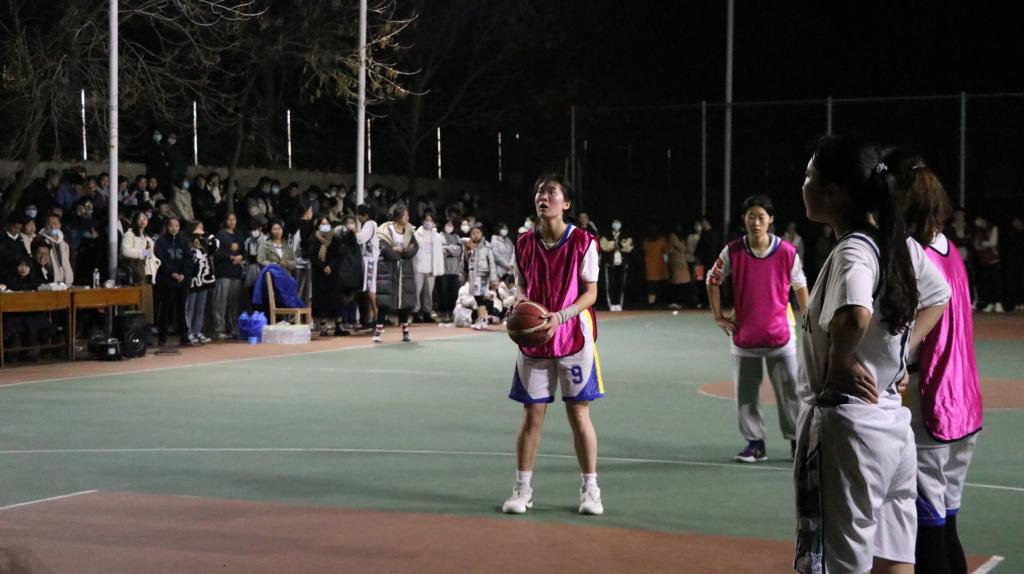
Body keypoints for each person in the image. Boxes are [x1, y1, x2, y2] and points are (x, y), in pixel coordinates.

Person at [794, 136, 950, 574]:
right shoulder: (897, 243)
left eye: (809, 175)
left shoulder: (853, 250)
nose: (803, 185)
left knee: (841, 561)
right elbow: (940, 295)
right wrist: (900, 356)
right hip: (892, 425)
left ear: (833, 192)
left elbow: (855, 313)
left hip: (849, 428)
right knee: (895, 556)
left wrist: (841, 360)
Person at [889, 148, 983, 574]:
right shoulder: (950, 249)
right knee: (947, 525)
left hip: (930, 401)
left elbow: (904, 330)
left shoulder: (910, 253)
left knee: (927, 532)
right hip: (964, 401)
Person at [502, 174, 604, 517]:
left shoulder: (584, 242)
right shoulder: (523, 242)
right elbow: (522, 286)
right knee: (532, 414)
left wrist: (561, 316)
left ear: (566, 203)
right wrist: (520, 304)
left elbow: (591, 293)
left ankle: (591, 490)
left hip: (573, 337)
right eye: (539, 192)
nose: (542, 197)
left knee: (578, 414)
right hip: (534, 341)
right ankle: (522, 490)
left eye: (550, 192)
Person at [706, 194, 809, 462]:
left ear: (771, 219)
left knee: (790, 393)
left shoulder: (787, 252)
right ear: (744, 219)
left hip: (781, 336)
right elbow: (712, 279)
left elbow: (800, 286)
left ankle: (797, 441)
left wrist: (808, 317)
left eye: (761, 217)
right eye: (751, 217)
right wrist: (719, 317)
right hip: (745, 336)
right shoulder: (733, 251)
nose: (755, 222)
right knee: (746, 395)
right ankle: (755, 444)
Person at [373, 206, 418, 343]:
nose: (407, 218)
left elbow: (414, 248)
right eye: (405, 215)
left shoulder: (410, 232)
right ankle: (378, 331)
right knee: (384, 301)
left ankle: (405, 331)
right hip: (388, 270)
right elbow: (385, 249)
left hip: (405, 270)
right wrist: (398, 254)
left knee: (404, 301)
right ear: (398, 217)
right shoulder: (385, 230)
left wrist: (401, 251)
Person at [153, 218, 193, 347]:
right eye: (171, 226)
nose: (174, 228)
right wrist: (173, 273)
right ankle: (162, 337)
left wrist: (183, 274)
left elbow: (189, 259)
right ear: (167, 227)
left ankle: (184, 336)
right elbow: (160, 260)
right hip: (167, 281)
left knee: (181, 310)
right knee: (166, 309)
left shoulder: (184, 241)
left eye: (176, 226)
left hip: (182, 282)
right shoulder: (161, 242)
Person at [211, 213, 246, 340]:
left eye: (234, 219)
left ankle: (233, 328)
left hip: (236, 273)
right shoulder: (220, 235)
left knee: (233, 304)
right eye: (229, 219)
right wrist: (230, 257)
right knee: (220, 303)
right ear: (225, 221)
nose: (231, 222)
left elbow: (244, 251)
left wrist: (241, 256)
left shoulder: (239, 235)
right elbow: (216, 253)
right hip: (223, 272)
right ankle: (219, 329)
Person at [186, 221, 217, 345]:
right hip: (192, 281)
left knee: (200, 308)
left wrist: (206, 235)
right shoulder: (187, 243)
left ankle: (197, 331)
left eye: (201, 228)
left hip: (204, 281)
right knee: (190, 308)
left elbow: (216, 245)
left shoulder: (204, 243)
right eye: (197, 227)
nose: (200, 230)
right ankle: (188, 332)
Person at [309, 215, 340, 335]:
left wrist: (330, 266)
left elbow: (338, 254)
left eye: (327, 223)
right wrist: (323, 267)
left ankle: (334, 323)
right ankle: (320, 324)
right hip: (318, 273)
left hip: (332, 273)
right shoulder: (313, 238)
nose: (325, 226)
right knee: (320, 299)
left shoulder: (335, 238)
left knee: (333, 298)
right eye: (322, 224)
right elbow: (312, 256)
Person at [412, 213, 444, 323]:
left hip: (431, 267)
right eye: (426, 220)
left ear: (434, 222)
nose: (428, 222)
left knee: (428, 292)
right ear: (422, 221)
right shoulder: (416, 234)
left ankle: (427, 312)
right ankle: (415, 313)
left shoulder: (437, 236)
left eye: (430, 220)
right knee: (417, 291)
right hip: (418, 266)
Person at [465, 224, 499, 322]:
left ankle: (482, 320)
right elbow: (467, 261)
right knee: (477, 297)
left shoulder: (487, 246)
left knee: (480, 297)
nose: (475, 235)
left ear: (482, 233)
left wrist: (493, 279)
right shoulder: (469, 245)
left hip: (483, 274)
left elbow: (492, 263)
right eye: (473, 233)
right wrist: (467, 249)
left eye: (478, 232)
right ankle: (482, 319)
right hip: (473, 275)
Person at [355, 204, 381, 328]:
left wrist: (353, 231)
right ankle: (371, 316)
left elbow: (360, 239)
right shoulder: (369, 224)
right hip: (367, 259)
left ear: (365, 215)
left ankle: (376, 315)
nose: (358, 218)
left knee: (370, 288)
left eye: (359, 215)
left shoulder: (370, 224)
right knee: (367, 289)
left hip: (370, 260)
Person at [599, 219, 633, 311]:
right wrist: (615, 245)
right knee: (610, 285)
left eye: (618, 223)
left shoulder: (626, 235)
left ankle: (619, 303)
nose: (616, 225)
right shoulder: (606, 235)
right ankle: (611, 304)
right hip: (610, 264)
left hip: (622, 264)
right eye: (615, 223)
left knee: (620, 285)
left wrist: (619, 245)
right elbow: (604, 247)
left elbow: (629, 247)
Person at [972, 215, 1003, 313]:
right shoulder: (978, 231)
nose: (978, 223)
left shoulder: (993, 228)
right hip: (983, 260)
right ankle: (990, 303)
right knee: (986, 282)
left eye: (979, 221)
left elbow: (993, 242)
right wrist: (982, 245)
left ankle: (998, 302)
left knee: (996, 281)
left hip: (993, 259)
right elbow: (976, 245)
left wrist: (983, 243)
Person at [437, 218, 464, 322]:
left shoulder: (457, 237)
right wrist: (452, 249)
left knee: (453, 294)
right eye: (447, 224)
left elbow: (459, 251)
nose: (449, 226)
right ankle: (442, 314)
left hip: (454, 270)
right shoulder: (438, 236)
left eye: (451, 225)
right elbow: (439, 250)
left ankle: (452, 313)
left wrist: (446, 247)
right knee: (443, 293)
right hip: (442, 270)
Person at [121, 212, 159, 285]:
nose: (142, 221)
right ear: (135, 220)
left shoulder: (147, 237)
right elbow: (125, 251)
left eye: (145, 219)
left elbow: (151, 253)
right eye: (139, 219)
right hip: (134, 268)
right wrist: (143, 253)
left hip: (147, 269)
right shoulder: (129, 234)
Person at [666, 223, 695, 309]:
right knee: (676, 282)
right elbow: (681, 247)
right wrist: (686, 249)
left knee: (683, 282)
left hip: (681, 262)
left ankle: (682, 301)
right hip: (676, 262)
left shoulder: (679, 236)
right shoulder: (673, 236)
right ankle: (674, 301)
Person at [39, 214, 74, 285]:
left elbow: (67, 263)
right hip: (49, 281)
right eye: (49, 224)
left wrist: (68, 280)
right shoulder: (41, 241)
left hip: (65, 282)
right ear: (45, 225)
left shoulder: (64, 244)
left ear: (59, 225)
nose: (52, 227)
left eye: (55, 224)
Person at [641, 224, 669, 306]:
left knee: (651, 285)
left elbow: (643, 251)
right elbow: (666, 251)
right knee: (659, 285)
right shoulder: (661, 240)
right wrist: (667, 262)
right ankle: (658, 301)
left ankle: (651, 302)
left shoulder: (646, 241)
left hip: (649, 266)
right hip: (660, 266)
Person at [1005, 216, 1024, 311]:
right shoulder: (1011, 233)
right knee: (1014, 281)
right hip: (1013, 261)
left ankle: (1022, 302)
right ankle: (1016, 302)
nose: (1014, 223)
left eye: (1016, 221)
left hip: (1021, 261)